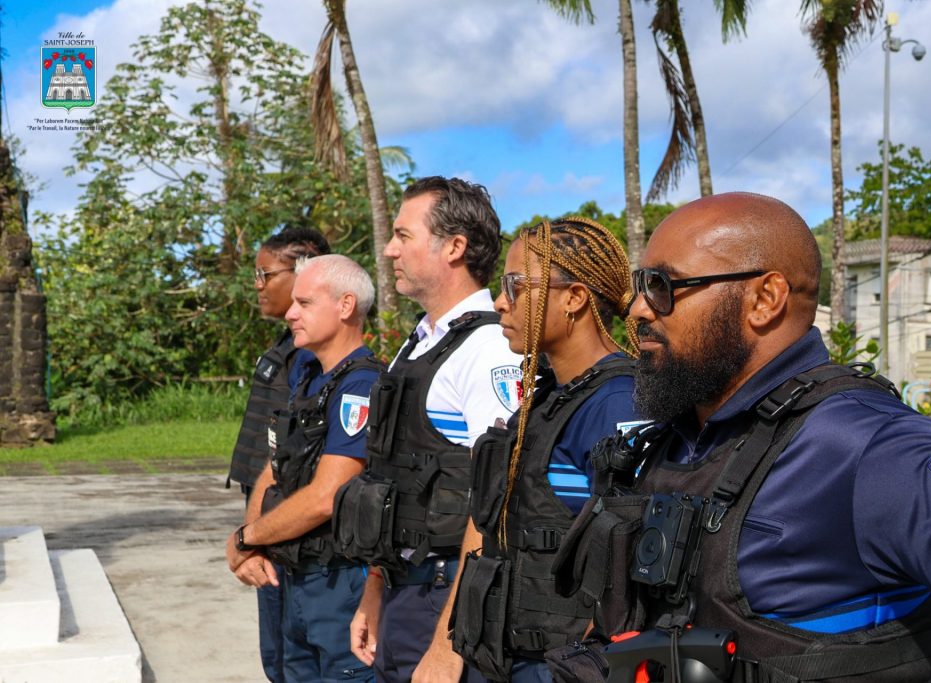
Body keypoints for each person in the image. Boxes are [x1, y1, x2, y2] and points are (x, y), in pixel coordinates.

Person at [555, 192, 931, 682]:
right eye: (638, 286)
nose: (636, 310)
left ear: (764, 299)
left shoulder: (870, 446)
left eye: (662, 285)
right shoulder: (671, 441)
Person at [334, 176, 523, 683]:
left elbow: (495, 504)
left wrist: (447, 644)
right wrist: (374, 592)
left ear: (455, 247)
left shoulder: (489, 349)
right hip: (403, 587)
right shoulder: (419, 343)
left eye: (403, 235)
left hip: (444, 597)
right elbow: (392, 478)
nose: (390, 249)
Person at [442, 216, 644, 683]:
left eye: (515, 286)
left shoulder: (615, 402)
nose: (500, 302)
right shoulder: (550, 394)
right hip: (501, 654)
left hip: (558, 667)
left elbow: (628, 567)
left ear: (574, 298)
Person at [225, 254, 382, 683]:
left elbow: (326, 495)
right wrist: (253, 541)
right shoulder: (308, 376)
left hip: (340, 582)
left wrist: (246, 538)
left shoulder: (363, 385)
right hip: (294, 577)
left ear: (346, 305)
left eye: (305, 303)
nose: (291, 313)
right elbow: (276, 467)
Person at [227, 226, 329, 683]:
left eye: (264, 273)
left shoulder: (312, 354)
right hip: (265, 517)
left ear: (302, 269)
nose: (258, 284)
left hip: (286, 526)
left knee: (293, 659)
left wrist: (256, 536)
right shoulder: (288, 347)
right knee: (278, 656)